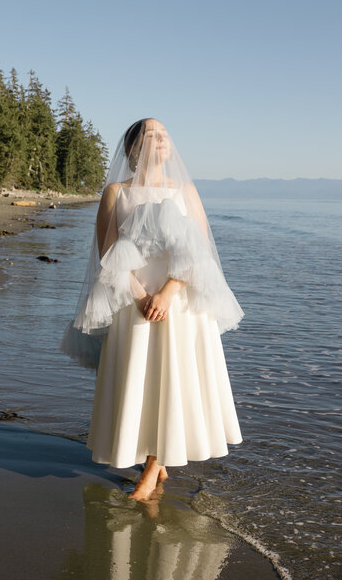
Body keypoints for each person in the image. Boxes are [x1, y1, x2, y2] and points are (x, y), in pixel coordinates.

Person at [61, 118, 245, 501]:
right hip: (133, 302)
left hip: (180, 304)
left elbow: (201, 253)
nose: (161, 140)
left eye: (164, 134)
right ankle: (154, 460)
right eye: (150, 134)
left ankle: (151, 469)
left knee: (174, 380)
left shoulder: (185, 191)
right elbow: (107, 255)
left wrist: (167, 293)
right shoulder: (116, 192)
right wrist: (141, 295)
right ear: (132, 148)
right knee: (143, 381)